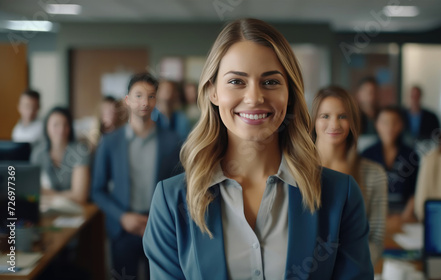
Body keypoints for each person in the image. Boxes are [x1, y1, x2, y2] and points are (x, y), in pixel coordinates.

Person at [143, 18, 373, 279]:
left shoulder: (339, 196)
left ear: (290, 93)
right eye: (236, 82)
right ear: (212, 92)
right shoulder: (171, 202)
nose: (254, 98)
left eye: (271, 82)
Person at [92, 73, 181, 278]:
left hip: (160, 228)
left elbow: (181, 188)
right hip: (123, 228)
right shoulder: (110, 142)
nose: (145, 102)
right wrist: (122, 217)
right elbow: (97, 190)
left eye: (151, 96)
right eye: (138, 96)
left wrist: (159, 217)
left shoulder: (172, 141)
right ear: (127, 101)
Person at [312, 85, 388, 265]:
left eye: (343, 116)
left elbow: (376, 240)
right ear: (313, 121)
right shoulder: (295, 169)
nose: (334, 124)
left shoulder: (374, 174)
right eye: (325, 116)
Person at [361, 106, 419, 227]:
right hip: (373, 218)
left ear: (402, 125)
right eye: (385, 122)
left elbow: (416, 190)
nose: (390, 127)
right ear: (377, 124)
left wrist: (404, 217)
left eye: (395, 122)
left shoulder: (411, 155)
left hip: (404, 217)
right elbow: (362, 190)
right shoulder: (367, 155)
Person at [30, 107, 90, 204]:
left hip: (76, 208)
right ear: (47, 127)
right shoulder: (38, 154)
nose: (61, 129)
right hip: (48, 207)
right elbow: (33, 190)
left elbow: (80, 196)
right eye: (56, 125)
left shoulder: (79, 151)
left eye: (65, 125)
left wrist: (48, 194)